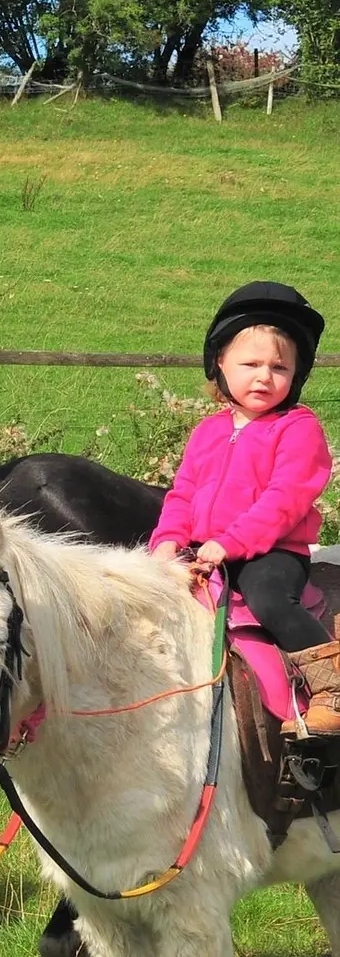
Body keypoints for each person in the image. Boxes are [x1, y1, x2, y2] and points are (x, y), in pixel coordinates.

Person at [151, 282, 339, 737]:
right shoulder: (208, 431)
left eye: (279, 367)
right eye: (251, 364)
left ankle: (330, 687)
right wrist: (167, 541)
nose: (264, 377)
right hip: (203, 550)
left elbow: (284, 499)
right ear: (220, 363)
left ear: (296, 374)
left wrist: (231, 542)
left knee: (271, 600)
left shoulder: (298, 428)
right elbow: (182, 494)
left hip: (271, 552)